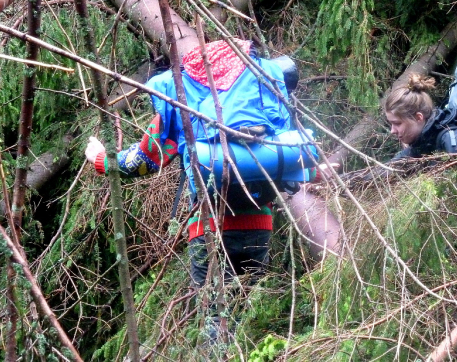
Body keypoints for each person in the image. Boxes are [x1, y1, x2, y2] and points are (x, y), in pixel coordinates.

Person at [85, 39, 303, 297]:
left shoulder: (180, 95)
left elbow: (144, 160)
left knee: (213, 310)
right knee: (250, 308)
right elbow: (290, 151)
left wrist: (101, 159)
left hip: (208, 226)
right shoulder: (263, 89)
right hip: (258, 223)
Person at [384, 74, 457, 171]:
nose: (392, 131)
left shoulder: (453, 138)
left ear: (418, 117)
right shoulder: (421, 144)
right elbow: (387, 169)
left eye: (397, 123)